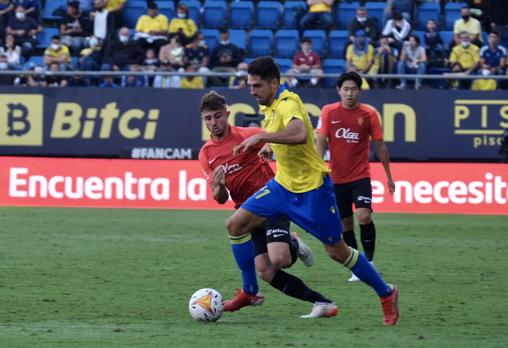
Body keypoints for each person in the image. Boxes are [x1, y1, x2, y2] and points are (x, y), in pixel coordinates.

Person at [229, 56, 399, 325]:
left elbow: (299, 134)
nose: (252, 91)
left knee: (337, 251)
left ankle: (386, 293)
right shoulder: (271, 106)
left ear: (274, 83)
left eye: (257, 86)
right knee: (235, 225)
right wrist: (270, 147)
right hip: (281, 187)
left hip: (312, 191)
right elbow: (288, 138)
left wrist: (262, 137)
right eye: (250, 85)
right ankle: (250, 292)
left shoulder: (288, 102)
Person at [199, 90, 338, 317]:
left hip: (272, 201)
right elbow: (219, 197)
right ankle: (322, 302)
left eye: (217, 116)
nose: (214, 123)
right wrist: (221, 186)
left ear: (227, 114)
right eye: (208, 118)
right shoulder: (206, 154)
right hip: (247, 212)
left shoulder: (248, 134)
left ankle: (291, 245)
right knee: (265, 270)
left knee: (280, 259)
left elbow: (278, 136)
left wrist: (270, 146)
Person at [315, 71, 395, 284]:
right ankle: (357, 265)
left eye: (353, 89)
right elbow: (321, 140)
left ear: (359, 91)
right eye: (346, 89)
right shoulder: (329, 112)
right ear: (339, 90)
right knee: (346, 224)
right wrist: (317, 167)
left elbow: (380, 145)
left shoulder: (369, 114)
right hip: (336, 179)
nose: (349, 93)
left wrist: (389, 176)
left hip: (360, 177)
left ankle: (369, 262)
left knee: (364, 217)